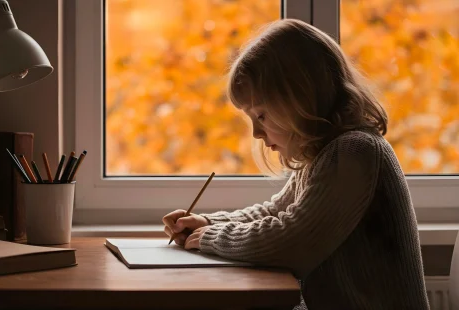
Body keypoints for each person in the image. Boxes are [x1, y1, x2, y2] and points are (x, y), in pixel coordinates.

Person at [162, 18, 430, 309]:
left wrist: (212, 237)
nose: (255, 133)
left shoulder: (355, 151)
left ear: (300, 97)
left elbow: (292, 242)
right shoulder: (324, 153)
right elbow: (276, 212)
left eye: (261, 115)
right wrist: (209, 223)